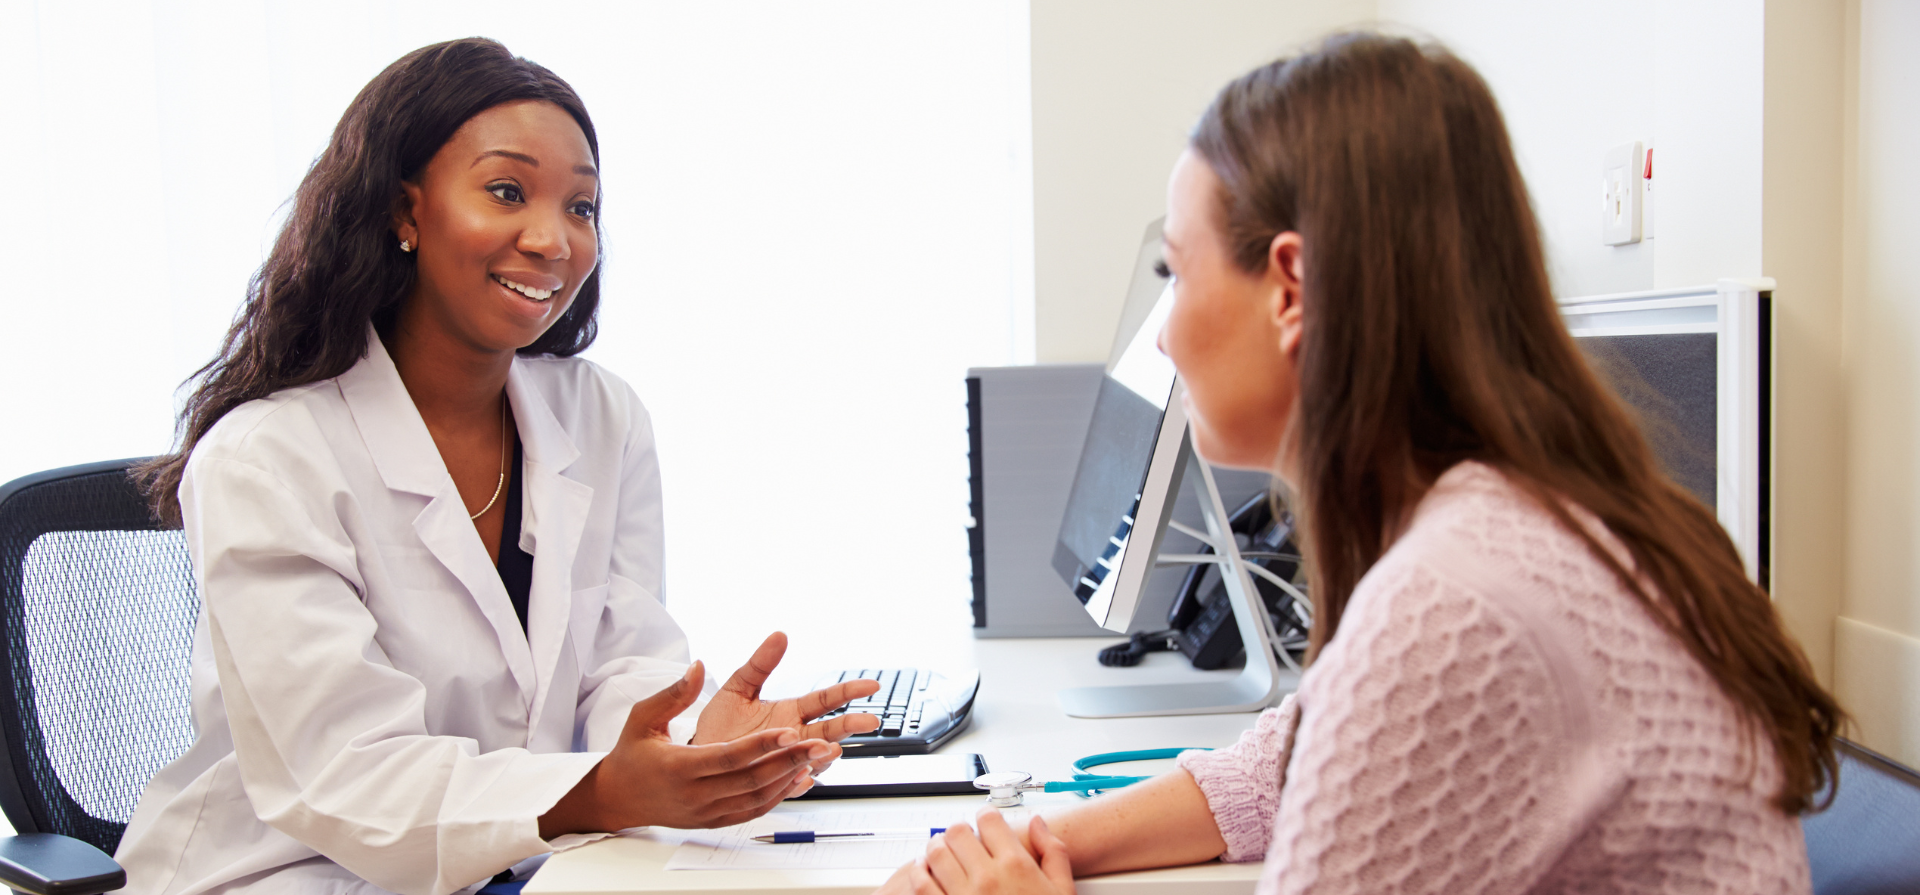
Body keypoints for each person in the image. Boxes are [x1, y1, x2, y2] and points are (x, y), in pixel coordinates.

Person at [882, 32, 1843, 895]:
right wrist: (1030, 843)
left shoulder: (1454, 599)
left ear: (1291, 288)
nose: (1163, 336)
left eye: (1176, 273)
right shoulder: (1514, 517)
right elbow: (1276, 772)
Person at [116, 38, 880, 895]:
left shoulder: (601, 415)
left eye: (582, 207)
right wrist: (595, 790)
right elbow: (348, 778)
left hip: (527, 862)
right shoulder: (266, 458)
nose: (554, 239)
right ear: (405, 210)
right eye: (507, 191)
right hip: (294, 873)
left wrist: (692, 743)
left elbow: (619, 662)